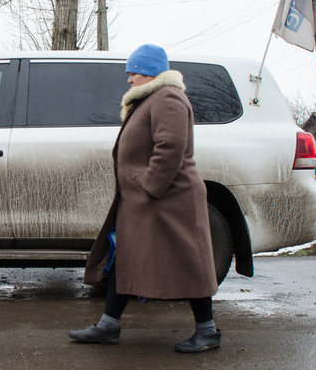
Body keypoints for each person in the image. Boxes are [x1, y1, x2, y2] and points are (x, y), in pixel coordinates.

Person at [69, 44, 220, 353]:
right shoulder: (152, 99)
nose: (128, 79)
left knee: (189, 262)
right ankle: (108, 326)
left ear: (150, 72)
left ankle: (207, 331)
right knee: (124, 258)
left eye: (133, 72)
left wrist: (150, 185)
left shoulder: (168, 97)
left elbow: (171, 145)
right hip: (148, 201)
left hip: (169, 200)